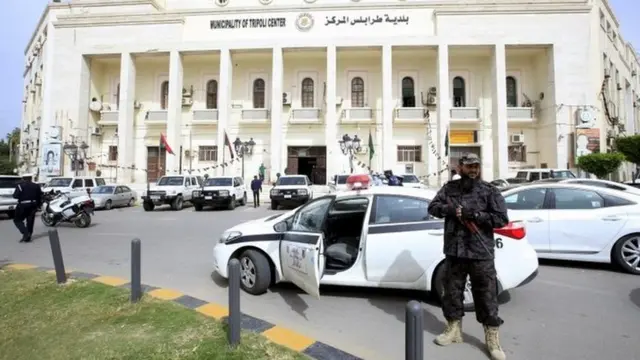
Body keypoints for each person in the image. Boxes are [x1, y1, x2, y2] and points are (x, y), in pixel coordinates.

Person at [427, 153, 509, 360]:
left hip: (481, 253)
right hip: (455, 252)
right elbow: (433, 208)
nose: (473, 170)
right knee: (452, 292)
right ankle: (454, 331)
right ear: (459, 167)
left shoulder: (489, 191)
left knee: (486, 296)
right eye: (469, 166)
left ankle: (492, 340)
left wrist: (477, 215)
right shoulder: (449, 189)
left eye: (476, 166)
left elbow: (501, 219)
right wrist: (451, 210)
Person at [12, 173, 43, 243]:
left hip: (23, 205)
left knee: (17, 220)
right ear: (31, 178)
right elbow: (39, 196)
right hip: (33, 205)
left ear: (23, 178)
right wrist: (38, 205)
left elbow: (15, 196)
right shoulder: (36, 186)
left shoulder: (20, 185)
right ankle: (28, 236)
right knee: (30, 221)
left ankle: (25, 233)